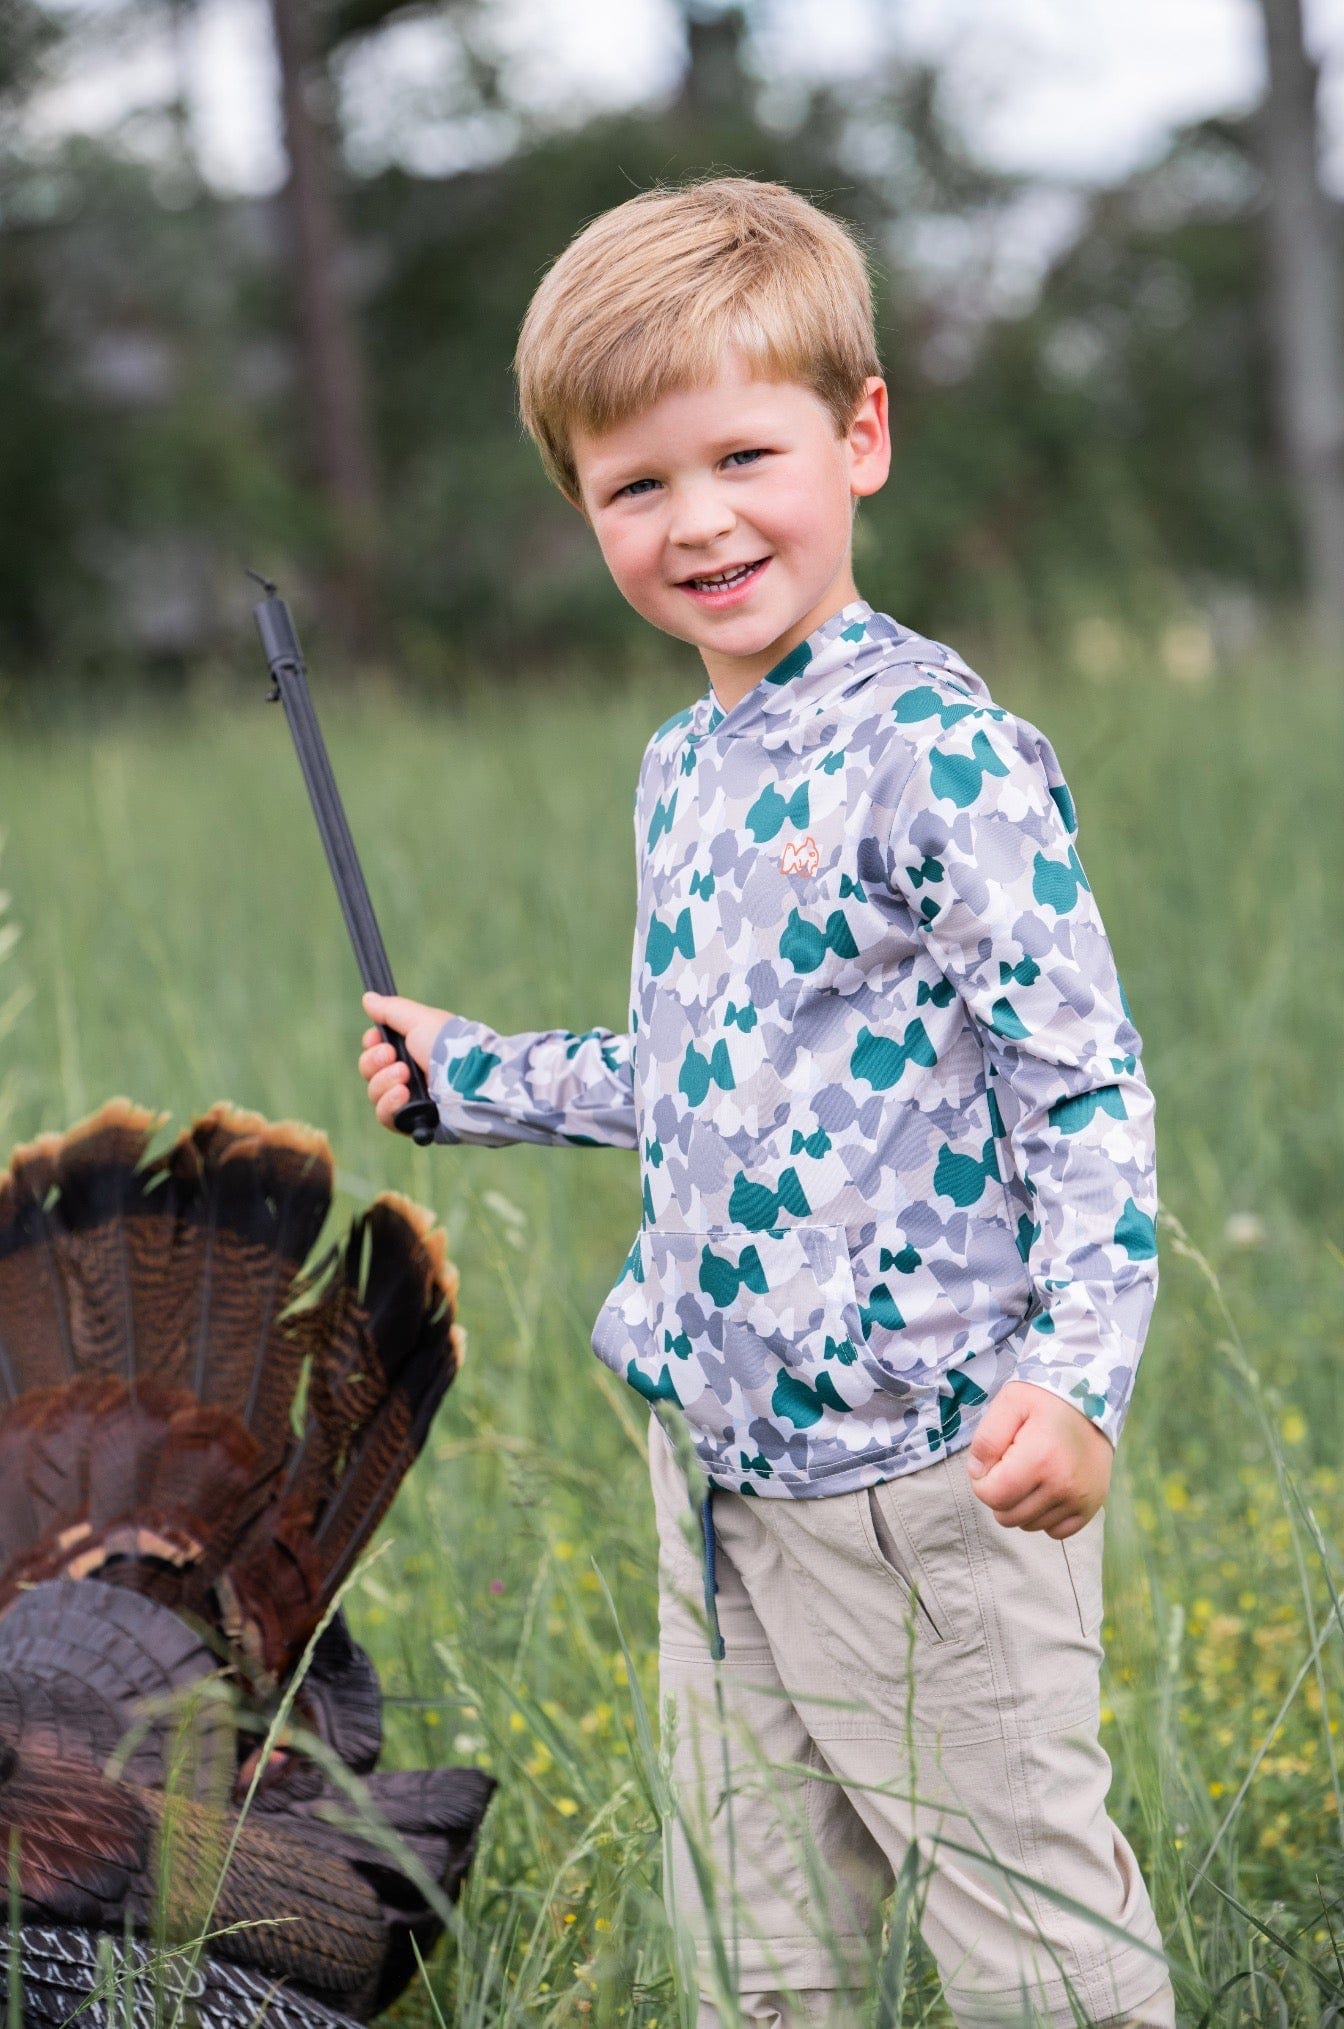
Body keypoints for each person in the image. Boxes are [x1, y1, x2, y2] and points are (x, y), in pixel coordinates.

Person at [358, 178, 1174, 2029]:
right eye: (635, 484)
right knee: (755, 1954)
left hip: (929, 1478)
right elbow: (719, 1079)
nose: (698, 518)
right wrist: (473, 1073)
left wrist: (1076, 1374)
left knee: (1035, 1951)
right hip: (721, 1472)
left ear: (860, 432)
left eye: (744, 452)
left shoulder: (937, 755)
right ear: (582, 506)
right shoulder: (683, 764)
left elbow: (1087, 1089)